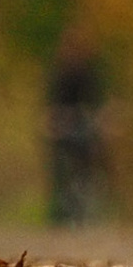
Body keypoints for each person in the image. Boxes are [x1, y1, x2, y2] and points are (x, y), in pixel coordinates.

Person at [45, 28, 111, 226]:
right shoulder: (59, 73)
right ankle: (63, 210)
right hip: (65, 124)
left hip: (84, 124)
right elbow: (51, 105)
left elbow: (98, 102)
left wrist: (104, 119)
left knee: (90, 162)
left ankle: (88, 209)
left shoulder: (89, 73)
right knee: (62, 167)